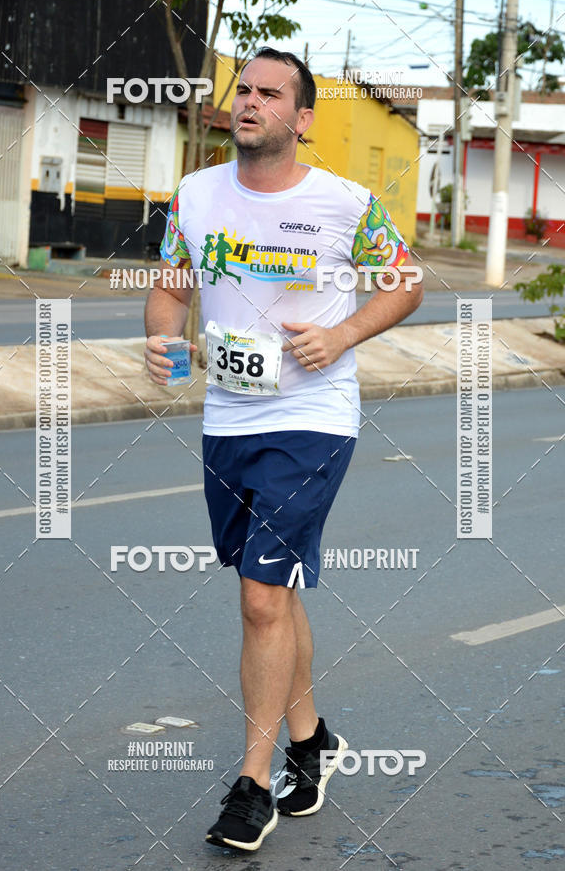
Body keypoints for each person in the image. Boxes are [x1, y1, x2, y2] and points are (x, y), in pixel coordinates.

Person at [144, 46, 423, 853]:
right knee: (276, 585)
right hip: (228, 420)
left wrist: (342, 335)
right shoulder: (196, 194)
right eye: (244, 89)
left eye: (270, 93)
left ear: (301, 119)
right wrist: (163, 340)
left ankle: (253, 785)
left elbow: (405, 282)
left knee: (261, 597)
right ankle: (312, 741)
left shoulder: (346, 203)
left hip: (313, 418)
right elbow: (171, 286)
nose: (250, 101)